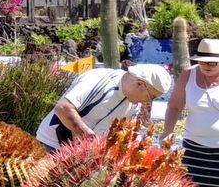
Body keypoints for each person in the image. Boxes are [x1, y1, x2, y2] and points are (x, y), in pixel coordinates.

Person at [161, 38, 219, 187]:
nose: (208, 66)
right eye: (203, 61)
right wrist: (166, 133)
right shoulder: (188, 74)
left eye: (213, 63)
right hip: (193, 150)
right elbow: (175, 106)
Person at [36, 62, 171, 153]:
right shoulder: (100, 79)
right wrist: (90, 139)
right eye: (151, 96)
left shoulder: (133, 104)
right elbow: (63, 108)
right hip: (52, 146)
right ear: (139, 84)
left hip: (83, 156)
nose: (149, 101)